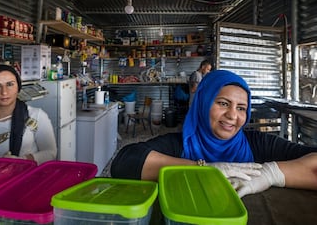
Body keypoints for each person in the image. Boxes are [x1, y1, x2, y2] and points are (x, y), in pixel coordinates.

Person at [111, 70, 317, 198]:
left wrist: (272, 173)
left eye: (241, 108)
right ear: (202, 103)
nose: (232, 115)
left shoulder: (259, 145)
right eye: (223, 103)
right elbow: (124, 163)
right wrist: (203, 168)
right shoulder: (181, 145)